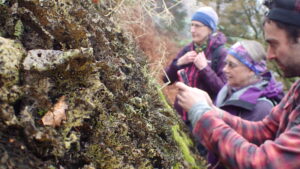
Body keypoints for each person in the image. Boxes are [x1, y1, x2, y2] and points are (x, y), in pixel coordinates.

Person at [175, 0, 300, 168]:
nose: (269, 55)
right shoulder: (297, 89)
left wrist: (201, 114)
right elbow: (263, 130)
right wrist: (211, 110)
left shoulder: (263, 105)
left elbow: (261, 163)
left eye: (274, 44)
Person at [207, 40, 284, 169]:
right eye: (226, 63)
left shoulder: (262, 108)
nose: (225, 69)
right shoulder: (227, 90)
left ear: (251, 70)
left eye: (232, 65)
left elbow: (244, 157)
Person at [162, 6, 227, 126]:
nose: (192, 30)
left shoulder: (220, 54)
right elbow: (166, 79)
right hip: (180, 117)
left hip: (204, 120)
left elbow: (222, 91)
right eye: (191, 25)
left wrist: (204, 68)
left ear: (209, 28)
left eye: (197, 25)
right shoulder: (187, 49)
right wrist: (178, 63)